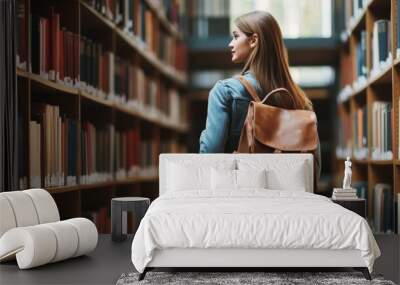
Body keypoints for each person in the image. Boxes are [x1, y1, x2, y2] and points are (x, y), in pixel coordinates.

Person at [199, 10, 321, 180]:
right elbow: (314, 167)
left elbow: (210, 158)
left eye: (235, 36)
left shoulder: (224, 91)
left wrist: (204, 136)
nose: (230, 44)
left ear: (254, 40)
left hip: (239, 197)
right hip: (290, 199)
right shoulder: (301, 101)